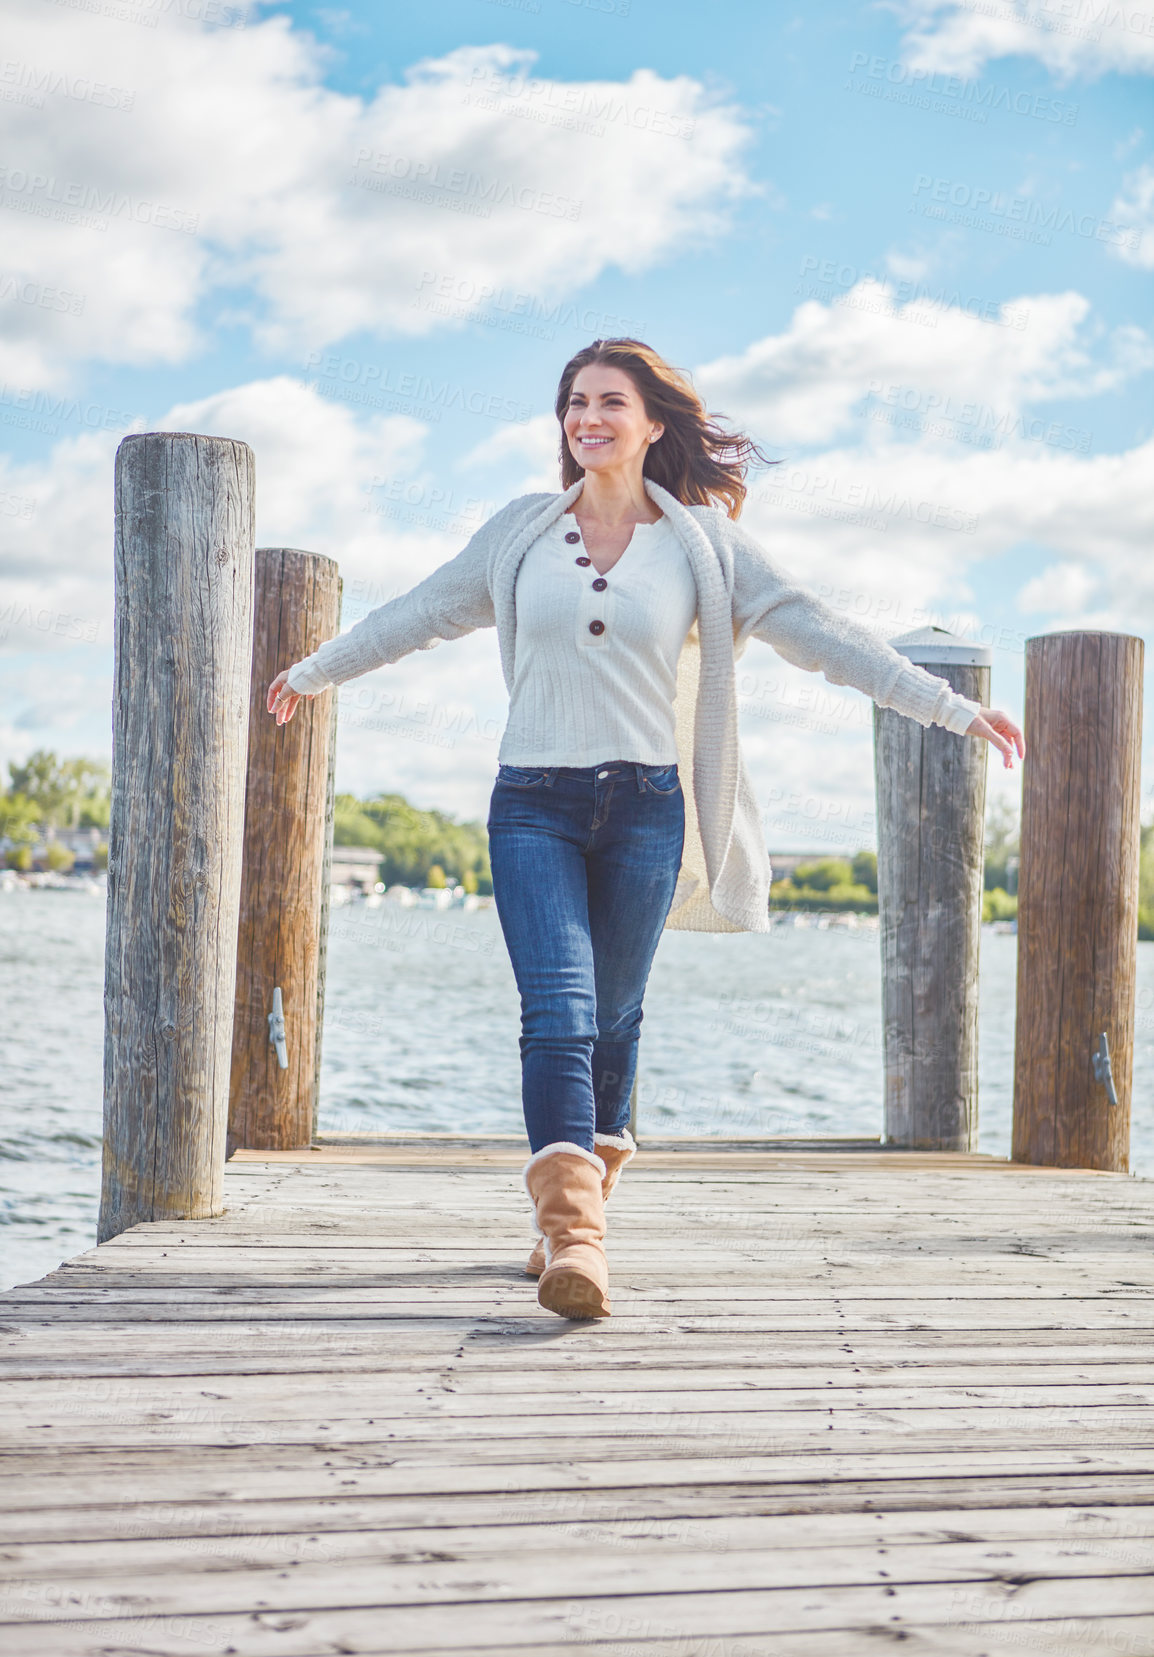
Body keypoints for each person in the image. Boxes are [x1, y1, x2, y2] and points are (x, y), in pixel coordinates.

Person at [267, 337, 1025, 1323]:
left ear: (652, 421)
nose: (586, 418)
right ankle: (578, 1235)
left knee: (615, 1021)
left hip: (645, 811)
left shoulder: (702, 546)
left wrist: (947, 708)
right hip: (531, 802)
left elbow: (818, 631)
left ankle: (564, 1217)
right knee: (561, 1012)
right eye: (572, 403)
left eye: (607, 401)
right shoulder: (520, 534)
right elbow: (416, 613)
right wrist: (313, 669)